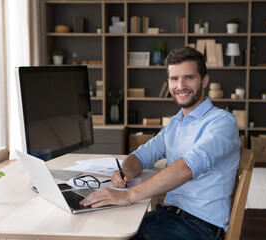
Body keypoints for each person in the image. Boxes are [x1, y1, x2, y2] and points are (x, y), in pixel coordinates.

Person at [80, 46, 240, 240]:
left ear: (204, 80)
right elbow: (142, 155)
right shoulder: (176, 123)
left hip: (199, 227)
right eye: (174, 79)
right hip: (166, 216)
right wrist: (127, 171)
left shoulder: (222, 122)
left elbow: (187, 167)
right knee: (100, 231)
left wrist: (129, 196)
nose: (181, 85)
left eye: (189, 77)